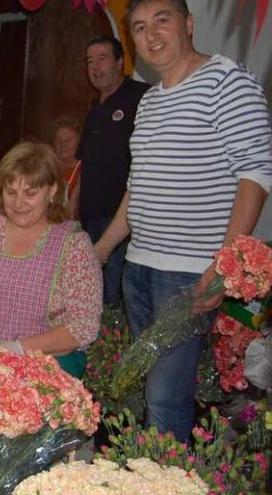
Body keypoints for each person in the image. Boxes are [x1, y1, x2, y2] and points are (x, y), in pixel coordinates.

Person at [94, 0, 272, 441]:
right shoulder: (150, 101)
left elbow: (256, 172)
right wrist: (100, 248)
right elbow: (138, 189)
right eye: (138, 27)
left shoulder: (226, 80)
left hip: (189, 273)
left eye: (162, 20)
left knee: (164, 399)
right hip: (138, 269)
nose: (151, 34)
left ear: (188, 25)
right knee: (151, 392)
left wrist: (224, 264)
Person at [0, 141, 102, 378]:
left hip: (41, 360)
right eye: (11, 192)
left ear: (52, 190)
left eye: (30, 193)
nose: (18, 203)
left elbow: (83, 326)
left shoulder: (73, 244)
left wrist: (18, 348)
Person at [70, 35, 150, 305]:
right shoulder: (96, 108)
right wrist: (73, 202)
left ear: (119, 62)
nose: (95, 67)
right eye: (90, 61)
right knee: (93, 287)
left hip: (121, 217)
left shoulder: (141, 96)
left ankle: (112, 341)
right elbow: (85, 161)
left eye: (102, 58)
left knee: (114, 291)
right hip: (90, 214)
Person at [52, 115, 82, 215]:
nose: (62, 144)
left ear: (79, 141)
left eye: (67, 140)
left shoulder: (85, 171)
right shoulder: (48, 167)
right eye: (58, 140)